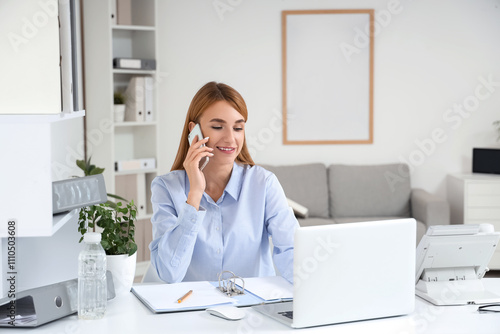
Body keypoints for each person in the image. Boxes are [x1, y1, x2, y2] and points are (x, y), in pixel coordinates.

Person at [149, 81, 298, 283]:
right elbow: (169, 274)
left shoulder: (264, 184)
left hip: (251, 308)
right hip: (190, 308)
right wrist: (194, 194)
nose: (230, 138)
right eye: (218, 127)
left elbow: (292, 251)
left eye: (238, 128)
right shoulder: (166, 188)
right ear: (194, 131)